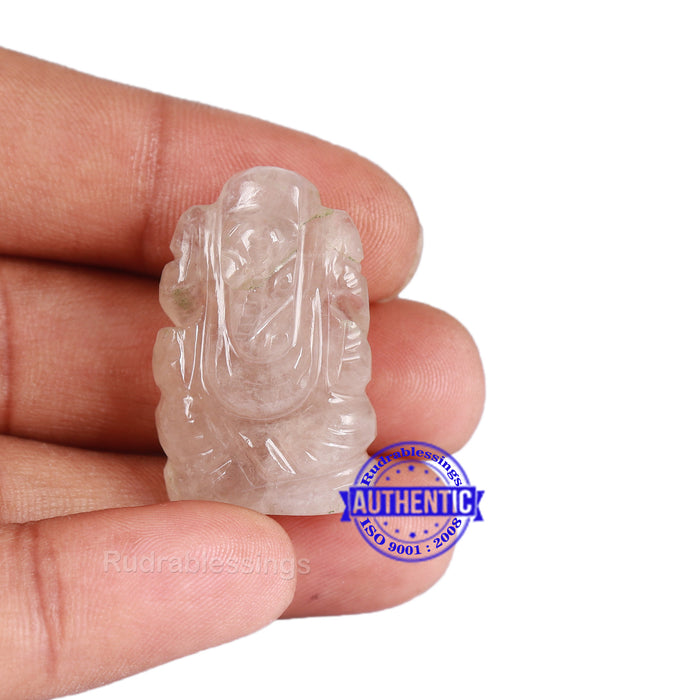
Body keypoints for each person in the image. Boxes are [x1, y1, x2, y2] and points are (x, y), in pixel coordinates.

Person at [0, 48, 485, 699]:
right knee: (188, 409)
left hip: (307, 424)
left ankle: (289, 475)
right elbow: (183, 314)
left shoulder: (318, 280)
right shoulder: (211, 278)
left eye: (272, 234)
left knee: (342, 422)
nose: (256, 248)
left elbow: (347, 349)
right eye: (245, 233)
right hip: (219, 426)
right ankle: (234, 475)